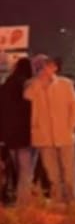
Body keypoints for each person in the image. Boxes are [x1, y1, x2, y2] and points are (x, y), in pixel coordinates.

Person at [23, 55, 75, 204]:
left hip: (65, 134)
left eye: (48, 67)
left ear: (55, 68)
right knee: (52, 173)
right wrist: (39, 82)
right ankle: (58, 200)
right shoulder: (33, 84)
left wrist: (70, 126)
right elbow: (27, 96)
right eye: (42, 67)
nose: (45, 70)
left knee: (69, 171)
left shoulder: (65, 84)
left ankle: (72, 201)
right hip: (43, 135)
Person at [1, 57, 35, 204]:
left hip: (9, 135)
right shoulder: (28, 85)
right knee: (26, 170)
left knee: (18, 169)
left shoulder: (5, 86)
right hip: (26, 134)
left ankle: (19, 197)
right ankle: (24, 200)